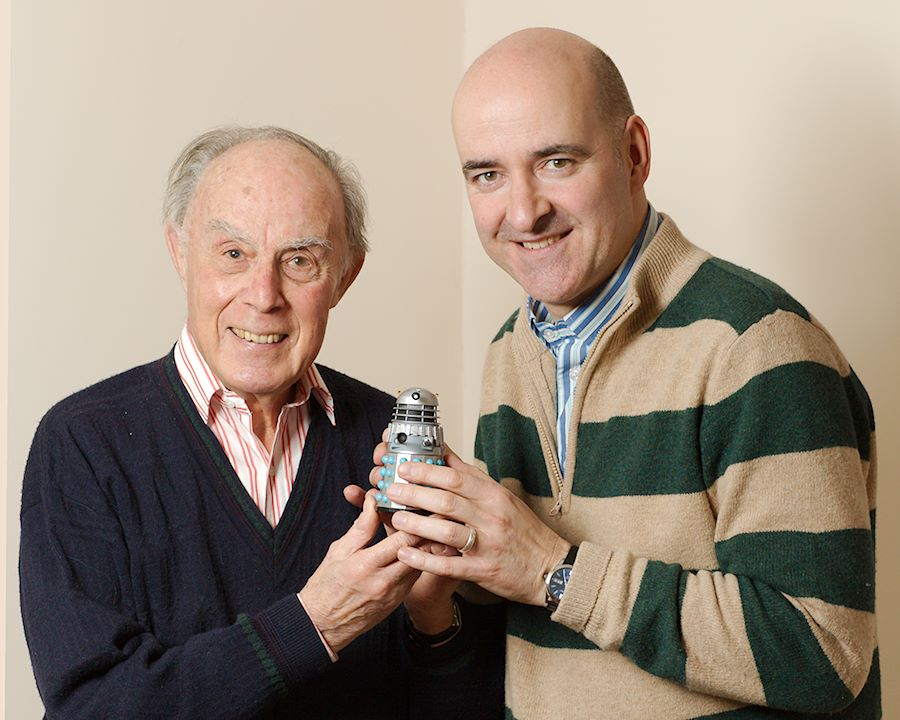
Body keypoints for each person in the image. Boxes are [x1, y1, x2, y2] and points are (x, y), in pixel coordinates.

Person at [373, 28, 880, 719]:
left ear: (634, 153)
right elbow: (541, 638)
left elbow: (823, 655)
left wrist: (553, 571)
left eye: (556, 162)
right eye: (486, 174)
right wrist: (449, 576)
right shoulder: (509, 351)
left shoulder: (756, 345)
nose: (522, 212)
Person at [20, 126, 502, 719]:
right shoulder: (83, 444)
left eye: (299, 261)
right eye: (233, 254)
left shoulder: (390, 440)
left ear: (345, 276)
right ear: (179, 252)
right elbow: (90, 708)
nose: (263, 294)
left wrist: (432, 617)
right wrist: (314, 623)